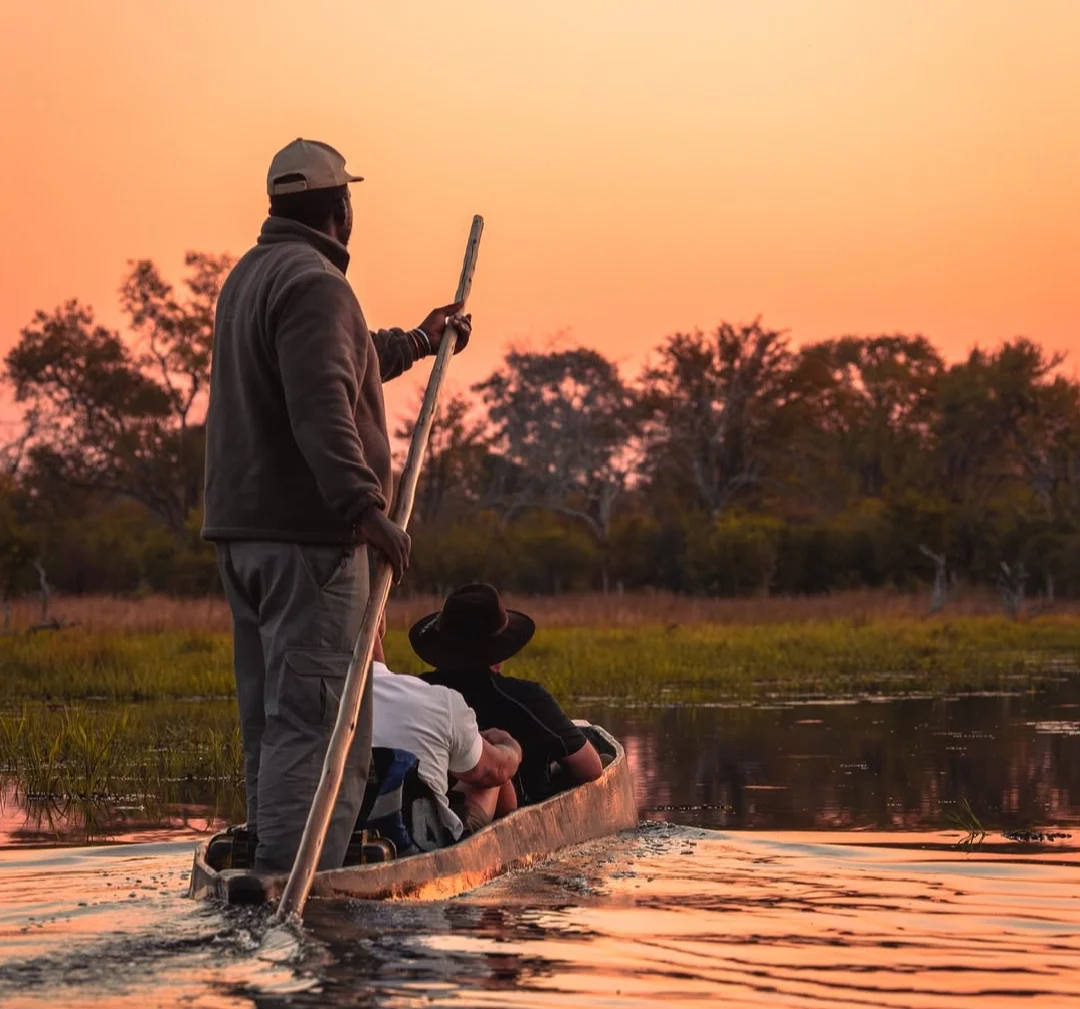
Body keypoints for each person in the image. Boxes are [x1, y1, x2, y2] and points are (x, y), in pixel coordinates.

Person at [202, 137, 472, 874]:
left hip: (246, 538)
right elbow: (322, 404)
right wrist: (365, 509)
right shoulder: (316, 284)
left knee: (271, 719)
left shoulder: (251, 277)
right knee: (319, 724)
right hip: (309, 543)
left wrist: (422, 339)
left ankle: (271, 863)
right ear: (340, 209)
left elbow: (342, 364)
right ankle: (303, 890)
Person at [410, 584, 605, 805]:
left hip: (435, 803)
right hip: (510, 807)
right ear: (500, 650)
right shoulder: (526, 698)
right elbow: (590, 768)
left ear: (441, 648)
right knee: (603, 759)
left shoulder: (417, 691)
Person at [369, 625, 521, 845]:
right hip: (417, 846)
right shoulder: (437, 699)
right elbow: (496, 771)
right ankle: (511, 846)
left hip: (329, 841)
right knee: (490, 776)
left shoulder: (305, 700)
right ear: (380, 622)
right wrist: (511, 747)